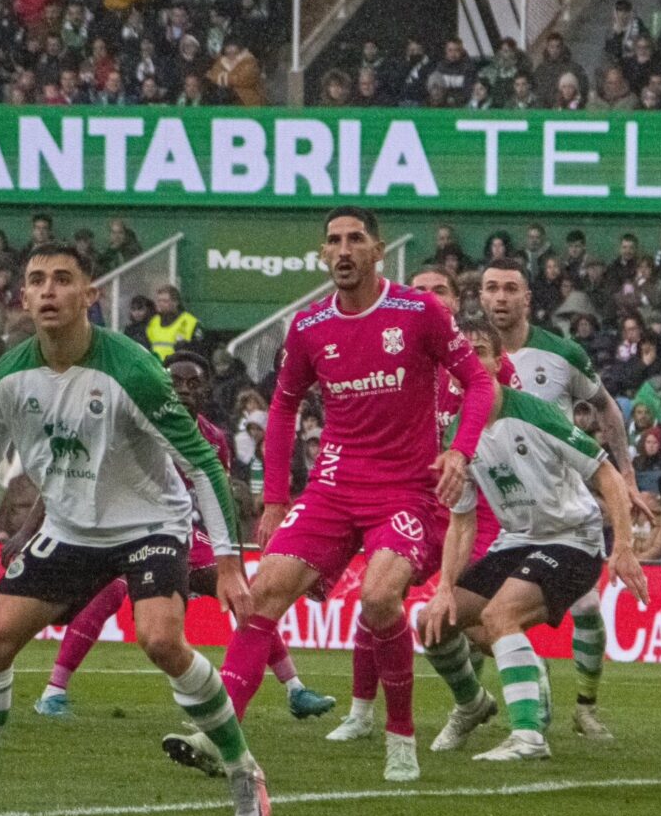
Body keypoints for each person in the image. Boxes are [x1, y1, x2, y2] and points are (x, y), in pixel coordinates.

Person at [0, 243, 269, 816]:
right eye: (38, 281)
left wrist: (231, 564)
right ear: (24, 298)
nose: (50, 290)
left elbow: (206, 466)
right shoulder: (10, 375)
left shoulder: (132, 370)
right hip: (69, 528)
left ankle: (243, 769)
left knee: (161, 641)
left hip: (149, 523)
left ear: (89, 296)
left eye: (64, 279)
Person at [165, 207, 494, 783]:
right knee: (263, 592)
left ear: (377, 250)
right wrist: (273, 499)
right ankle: (223, 737)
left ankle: (400, 735)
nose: (343, 250)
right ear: (323, 254)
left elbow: (481, 381)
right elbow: (286, 405)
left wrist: (460, 451)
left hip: (403, 491)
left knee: (379, 599)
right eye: (333, 242)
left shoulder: (418, 312)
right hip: (332, 488)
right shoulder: (310, 325)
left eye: (355, 240)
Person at [26, 349, 333, 725]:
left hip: (181, 532)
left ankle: (295, 689)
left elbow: (216, 499)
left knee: (243, 597)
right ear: (161, 386)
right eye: (176, 383)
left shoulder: (213, 438)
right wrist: (32, 529)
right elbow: (70, 472)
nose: (185, 390)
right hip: (123, 530)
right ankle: (53, 692)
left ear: (206, 391)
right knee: (108, 593)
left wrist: (230, 561)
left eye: (194, 383)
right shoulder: (128, 424)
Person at [417, 317, 647, 761]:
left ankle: (528, 737)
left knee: (502, 614)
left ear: (499, 362)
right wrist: (444, 588)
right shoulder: (457, 435)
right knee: (432, 624)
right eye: (461, 356)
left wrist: (623, 547)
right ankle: (471, 705)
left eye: (481, 353)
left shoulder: (536, 412)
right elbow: (462, 524)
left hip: (573, 539)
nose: (471, 363)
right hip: (517, 539)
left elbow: (606, 475)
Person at [325, 264, 520, 744]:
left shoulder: (481, 360)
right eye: (420, 290)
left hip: (476, 511)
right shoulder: (395, 353)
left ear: (455, 300)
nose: (431, 297)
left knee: (472, 619)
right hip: (412, 502)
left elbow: (515, 424)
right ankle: (363, 712)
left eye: (440, 291)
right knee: (378, 599)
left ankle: (513, 693)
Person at [480, 258, 651, 739]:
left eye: (510, 288)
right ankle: (501, 692)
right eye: (491, 288)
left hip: (563, 502)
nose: (500, 298)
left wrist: (628, 474)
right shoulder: (467, 356)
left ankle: (584, 707)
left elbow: (606, 409)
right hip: (501, 500)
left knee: (586, 608)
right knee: (470, 613)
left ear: (527, 297)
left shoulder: (561, 353)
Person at [145, 285, 203, 363]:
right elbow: (147, 346)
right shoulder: (153, 322)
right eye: (159, 301)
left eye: (165, 301)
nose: (161, 304)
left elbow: (200, 350)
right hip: (156, 367)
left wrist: (185, 346)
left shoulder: (190, 322)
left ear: (176, 302)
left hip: (178, 367)